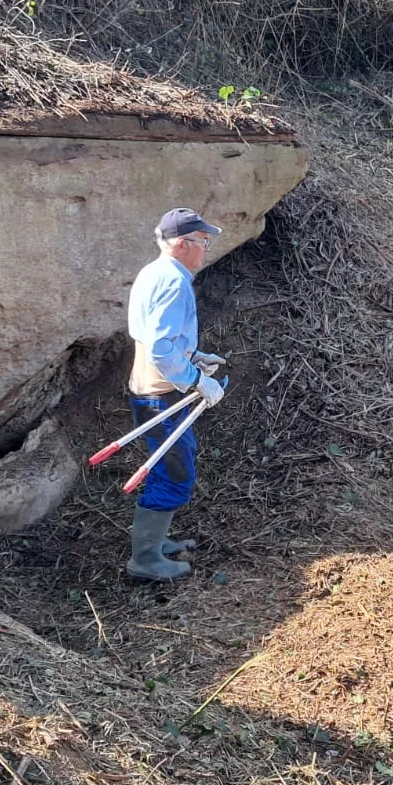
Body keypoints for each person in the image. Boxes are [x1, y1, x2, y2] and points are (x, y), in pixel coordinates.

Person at [123, 208, 228, 581]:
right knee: (175, 471)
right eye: (203, 242)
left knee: (167, 465)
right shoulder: (174, 282)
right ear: (182, 244)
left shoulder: (154, 272)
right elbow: (160, 350)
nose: (206, 249)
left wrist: (195, 356)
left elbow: (156, 336)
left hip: (149, 387)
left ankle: (156, 540)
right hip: (161, 394)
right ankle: (145, 560)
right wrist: (197, 379)